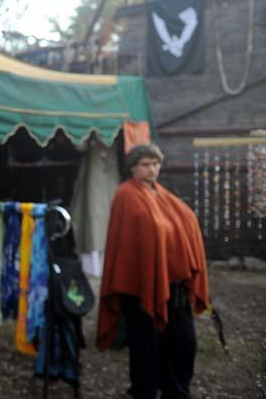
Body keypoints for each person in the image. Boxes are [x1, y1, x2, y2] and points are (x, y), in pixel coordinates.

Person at [96, 143, 209, 399]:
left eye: (155, 164)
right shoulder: (126, 196)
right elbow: (133, 240)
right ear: (133, 168)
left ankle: (175, 390)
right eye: (145, 165)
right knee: (146, 347)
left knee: (182, 344)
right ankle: (144, 392)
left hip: (176, 288)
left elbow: (183, 225)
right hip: (141, 287)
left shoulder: (163, 195)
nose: (152, 169)